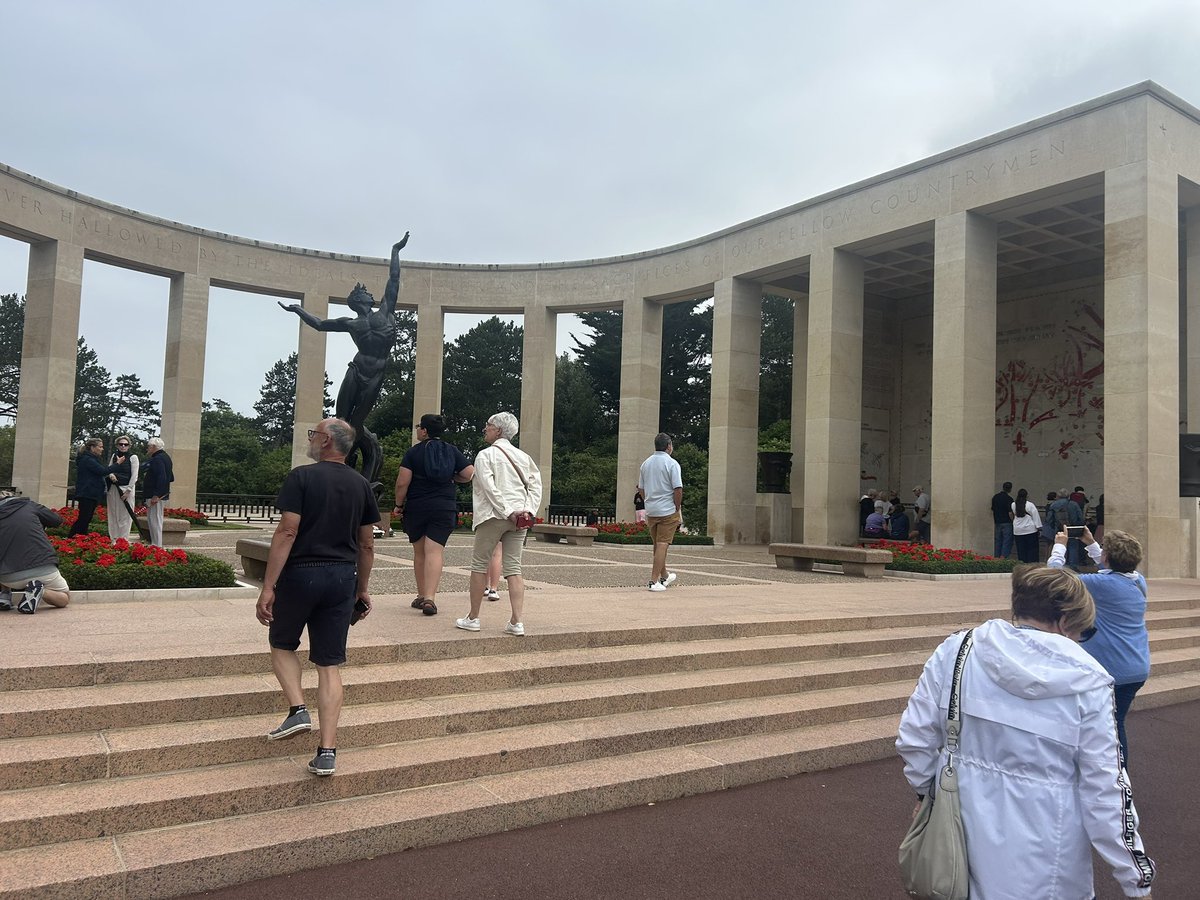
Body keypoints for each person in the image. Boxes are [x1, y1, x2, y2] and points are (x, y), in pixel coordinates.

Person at [896, 565, 1156, 900]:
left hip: (958, 829)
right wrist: (1136, 878)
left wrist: (925, 792)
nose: (1080, 639)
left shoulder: (959, 649)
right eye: (1083, 630)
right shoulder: (1090, 681)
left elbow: (914, 737)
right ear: (1065, 622)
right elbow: (1105, 789)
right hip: (1048, 848)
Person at [255, 418, 380, 776]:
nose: (311, 440)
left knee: (281, 643)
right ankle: (327, 752)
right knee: (329, 665)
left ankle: (297, 710)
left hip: (301, 574)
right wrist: (362, 588)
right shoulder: (361, 485)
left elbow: (287, 531)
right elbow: (367, 543)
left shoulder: (302, 477)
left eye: (314, 434)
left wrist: (268, 586)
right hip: (342, 577)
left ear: (326, 441)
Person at [280, 235, 409, 487]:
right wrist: (298, 310)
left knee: (357, 424)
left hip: (376, 374)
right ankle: (335, 467)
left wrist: (395, 251)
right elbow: (319, 324)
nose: (371, 294)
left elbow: (393, 279)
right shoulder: (350, 323)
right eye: (366, 293)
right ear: (358, 300)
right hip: (356, 369)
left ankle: (357, 474)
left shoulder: (386, 311)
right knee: (340, 419)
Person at [1049, 525, 1150, 766]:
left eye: (1103, 550)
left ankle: (1115, 776)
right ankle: (1110, 773)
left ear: (1107, 557)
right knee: (1113, 723)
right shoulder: (1138, 581)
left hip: (1112, 669)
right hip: (1135, 665)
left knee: (1109, 728)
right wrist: (1092, 543)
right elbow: (1113, 566)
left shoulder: (1101, 584)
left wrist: (1060, 546)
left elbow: (1053, 576)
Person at [456, 412, 541, 636]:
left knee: (479, 565)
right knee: (514, 568)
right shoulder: (524, 457)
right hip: (519, 518)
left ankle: (473, 617)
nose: (485, 428)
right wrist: (527, 511)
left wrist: (506, 511)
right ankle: (517, 621)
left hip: (492, 516)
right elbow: (535, 486)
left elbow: (488, 487)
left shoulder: (485, 455)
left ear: (499, 431)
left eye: (489, 425)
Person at [392, 413, 474, 617]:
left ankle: (421, 596)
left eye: (419, 426)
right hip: (444, 506)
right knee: (435, 551)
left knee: (420, 552)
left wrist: (398, 505)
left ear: (425, 431)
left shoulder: (413, 453)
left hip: (418, 506)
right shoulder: (452, 451)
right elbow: (469, 473)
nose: (418, 429)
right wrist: (452, 477)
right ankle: (430, 598)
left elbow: (403, 482)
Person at [0, 490, 71, 614]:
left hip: (7, 578)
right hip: (43, 568)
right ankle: (40, 591)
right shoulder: (29, 505)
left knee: (6, 548)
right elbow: (57, 520)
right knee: (64, 598)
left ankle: (4, 596)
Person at [638, 433, 683, 592]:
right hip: (667, 509)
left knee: (657, 544)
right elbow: (677, 488)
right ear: (669, 445)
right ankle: (653, 581)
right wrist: (677, 507)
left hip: (651, 510)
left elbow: (641, 488)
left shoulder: (646, 464)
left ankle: (664, 575)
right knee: (663, 544)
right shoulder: (672, 464)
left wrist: (648, 500)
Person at [69, 438, 117, 536]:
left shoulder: (92, 459)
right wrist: (117, 464)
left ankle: (80, 538)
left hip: (91, 493)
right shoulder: (88, 460)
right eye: (100, 447)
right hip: (87, 493)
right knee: (84, 518)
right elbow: (102, 471)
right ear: (92, 447)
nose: (102, 449)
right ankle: (72, 538)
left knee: (86, 518)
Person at [106, 435, 140, 542]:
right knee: (113, 513)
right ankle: (114, 538)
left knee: (125, 515)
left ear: (129, 446)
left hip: (126, 488)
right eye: (121, 444)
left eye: (125, 444)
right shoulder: (114, 455)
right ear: (117, 445)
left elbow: (134, 475)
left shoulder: (133, 457)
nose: (123, 446)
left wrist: (128, 490)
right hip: (114, 488)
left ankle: (123, 539)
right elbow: (109, 468)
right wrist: (111, 475)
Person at [142, 438, 174, 547]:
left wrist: (156, 494)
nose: (147, 449)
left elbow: (162, 477)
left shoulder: (157, 459)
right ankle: (156, 544)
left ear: (154, 447)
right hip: (161, 494)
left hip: (155, 495)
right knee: (156, 520)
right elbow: (171, 477)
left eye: (148, 446)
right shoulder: (166, 458)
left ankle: (156, 545)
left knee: (154, 521)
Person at [1048, 487, 1084, 566]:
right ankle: (1072, 566)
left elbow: (1049, 520)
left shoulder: (1053, 505)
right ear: (1068, 496)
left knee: (1060, 546)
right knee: (1073, 548)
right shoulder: (1074, 504)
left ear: (1058, 496)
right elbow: (1081, 518)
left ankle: (1060, 565)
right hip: (1072, 529)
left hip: (1059, 530)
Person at [1010, 487, 1043, 563]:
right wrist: (1039, 528)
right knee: (1032, 550)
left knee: (1021, 550)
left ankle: (1022, 564)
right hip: (1030, 530)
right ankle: (1032, 565)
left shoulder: (1013, 504)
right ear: (1026, 496)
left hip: (1018, 530)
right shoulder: (1030, 505)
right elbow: (1036, 517)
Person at [989, 481, 1014, 558]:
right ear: (1010, 489)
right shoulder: (1009, 499)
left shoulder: (995, 497)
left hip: (997, 521)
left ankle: (996, 556)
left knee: (998, 540)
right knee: (1007, 541)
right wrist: (1013, 520)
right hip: (1007, 522)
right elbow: (1010, 512)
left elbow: (993, 509)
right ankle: (1003, 557)